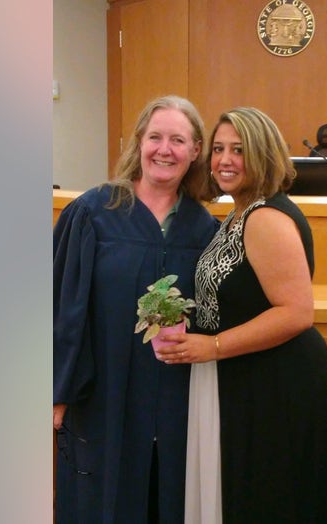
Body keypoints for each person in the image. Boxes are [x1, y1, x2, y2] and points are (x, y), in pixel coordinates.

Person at [155, 107, 327, 523]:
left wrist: (213, 346)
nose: (225, 160)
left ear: (263, 154)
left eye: (239, 150)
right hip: (249, 375)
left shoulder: (265, 216)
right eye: (218, 149)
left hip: (276, 380)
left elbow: (296, 312)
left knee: (270, 500)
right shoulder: (239, 212)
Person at [52, 95, 219, 523]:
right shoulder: (93, 214)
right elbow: (62, 308)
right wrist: (56, 392)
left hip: (179, 403)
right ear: (138, 143)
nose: (165, 149)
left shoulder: (206, 230)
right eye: (155, 137)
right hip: (102, 398)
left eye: (178, 140)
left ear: (195, 150)